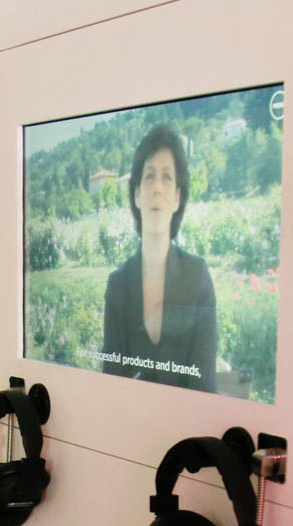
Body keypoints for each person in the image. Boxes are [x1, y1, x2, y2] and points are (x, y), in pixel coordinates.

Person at [100, 124, 216, 392]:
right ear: (137, 194)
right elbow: (110, 384)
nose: (157, 188)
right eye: (149, 177)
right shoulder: (117, 284)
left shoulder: (197, 277)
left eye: (167, 178)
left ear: (177, 198)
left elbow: (205, 387)